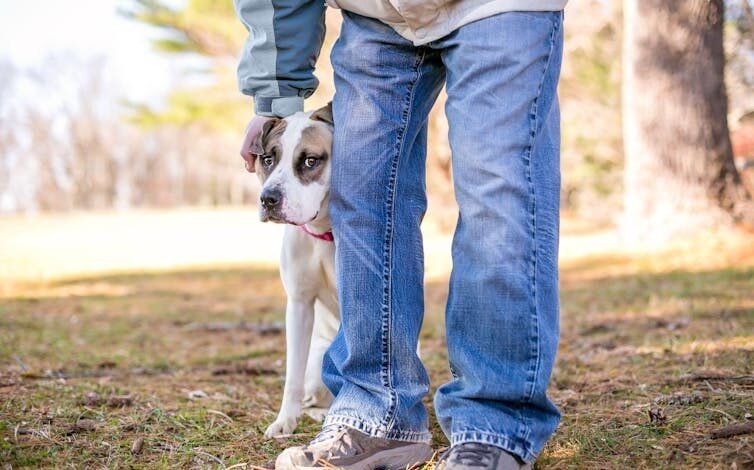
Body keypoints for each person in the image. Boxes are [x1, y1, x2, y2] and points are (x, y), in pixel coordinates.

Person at [234, 0, 566, 468]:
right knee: (362, 200)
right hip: (375, 15)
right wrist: (274, 95)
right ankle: (376, 414)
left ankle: (494, 427)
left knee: (499, 196)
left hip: (501, 6)